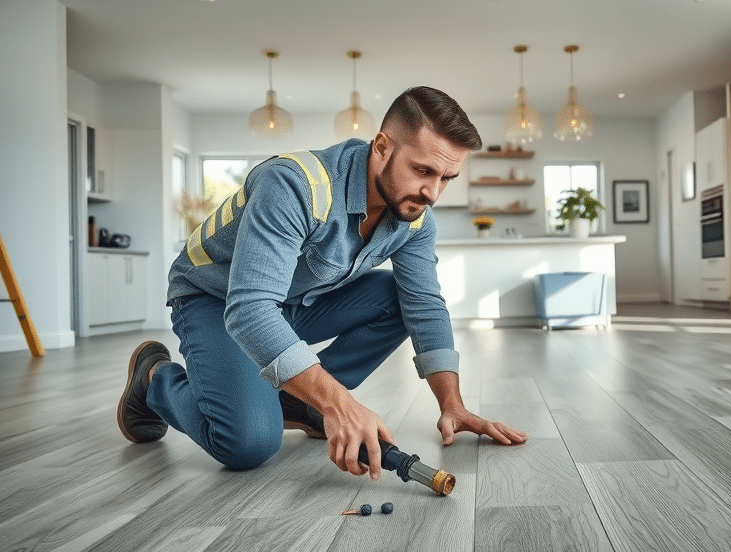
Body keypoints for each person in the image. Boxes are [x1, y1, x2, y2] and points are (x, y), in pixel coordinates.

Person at [117, 86, 527, 480]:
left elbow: (424, 303)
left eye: (447, 178)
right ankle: (154, 377)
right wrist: (339, 402)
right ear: (382, 147)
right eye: (423, 170)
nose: (432, 192)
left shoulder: (413, 213)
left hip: (291, 302)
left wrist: (451, 404)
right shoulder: (294, 185)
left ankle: (297, 401)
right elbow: (250, 310)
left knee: (400, 298)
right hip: (215, 299)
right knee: (248, 444)